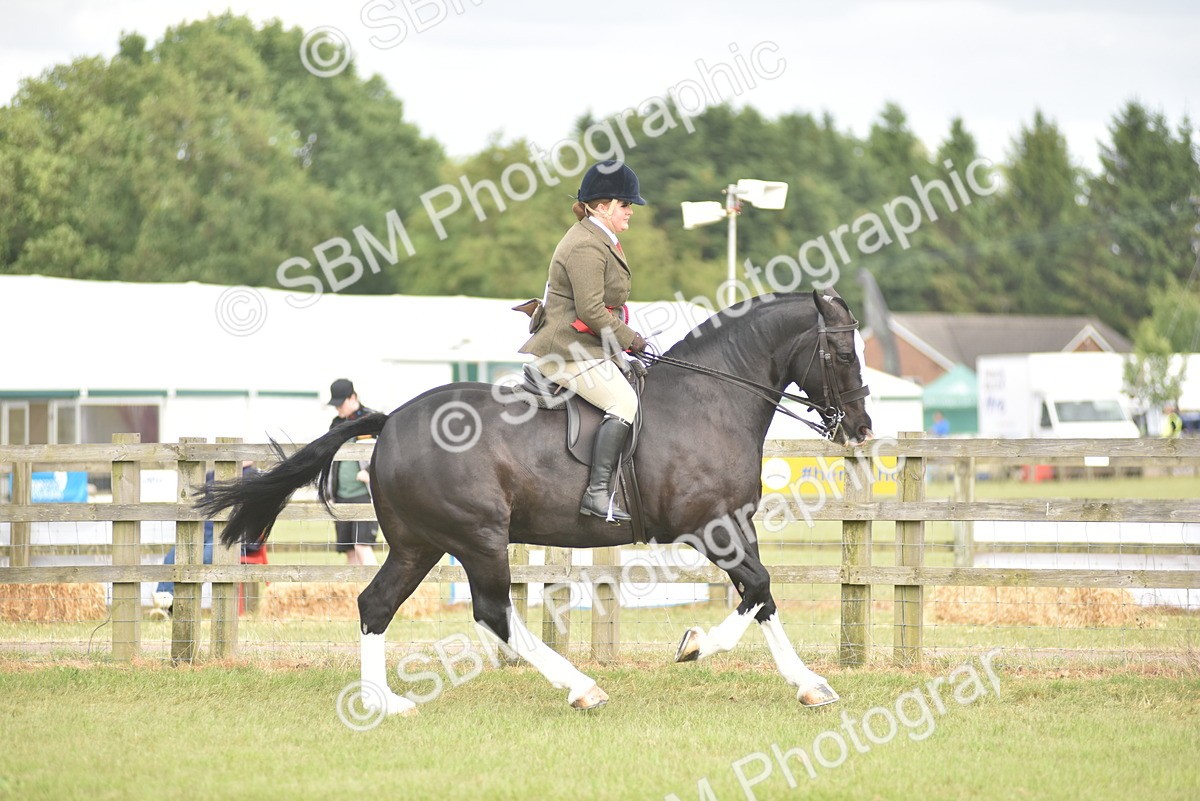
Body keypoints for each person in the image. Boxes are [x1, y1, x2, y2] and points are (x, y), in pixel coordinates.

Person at [519, 160, 649, 524]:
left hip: (587, 347)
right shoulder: (585, 246)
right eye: (625, 205)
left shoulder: (601, 239)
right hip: (566, 352)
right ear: (603, 205)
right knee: (624, 403)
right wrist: (631, 339)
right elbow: (592, 311)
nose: (629, 212)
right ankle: (596, 494)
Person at [150, 463, 266, 619]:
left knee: (206, 556)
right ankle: (162, 602)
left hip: (235, 532)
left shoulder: (254, 474)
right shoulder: (213, 474)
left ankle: (175, 605)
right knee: (174, 554)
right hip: (206, 527)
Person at [328, 378, 380, 564]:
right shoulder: (336, 424)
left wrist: (371, 473)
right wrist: (329, 491)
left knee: (362, 546)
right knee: (349, 549)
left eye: (340, 404)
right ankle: (352, 592)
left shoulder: (372, 420)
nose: (338, 409)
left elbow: (386, 452)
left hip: (364, 494)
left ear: (353, 397)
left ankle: (375, 592)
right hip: (341, 495)